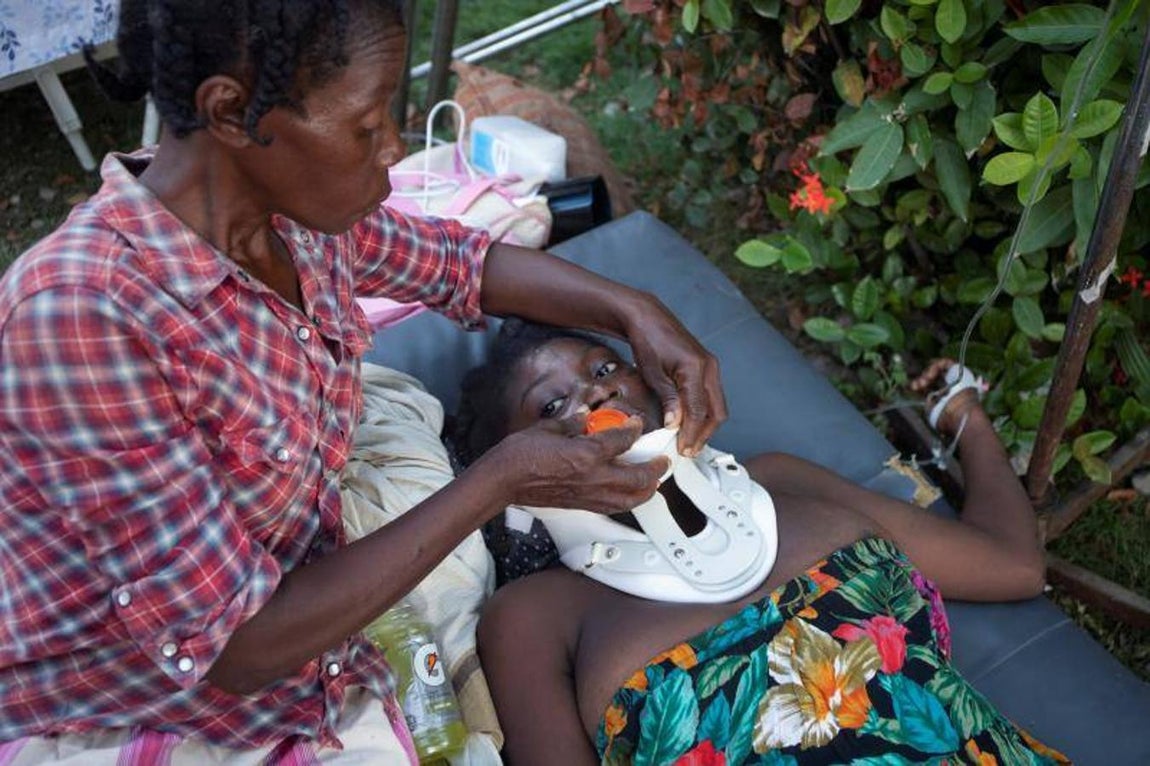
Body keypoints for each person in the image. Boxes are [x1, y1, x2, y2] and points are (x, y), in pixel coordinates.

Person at [0, 2, 725, 762]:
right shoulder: (82, 318)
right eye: (366, 124)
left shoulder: (288, 215)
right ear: (231, 112)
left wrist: (635, 308)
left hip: (293, 592)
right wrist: (498, 479)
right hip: (138, 696)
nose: (393, 147)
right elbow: (237, 647)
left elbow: (460, 265)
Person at [449, 319, 1069, 765]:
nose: (595, 392)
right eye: (551, 404)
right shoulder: (534, 617)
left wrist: (967, 419)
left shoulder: (776, 482)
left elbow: (1011, 565)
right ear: (516, 478)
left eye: (606, 369)